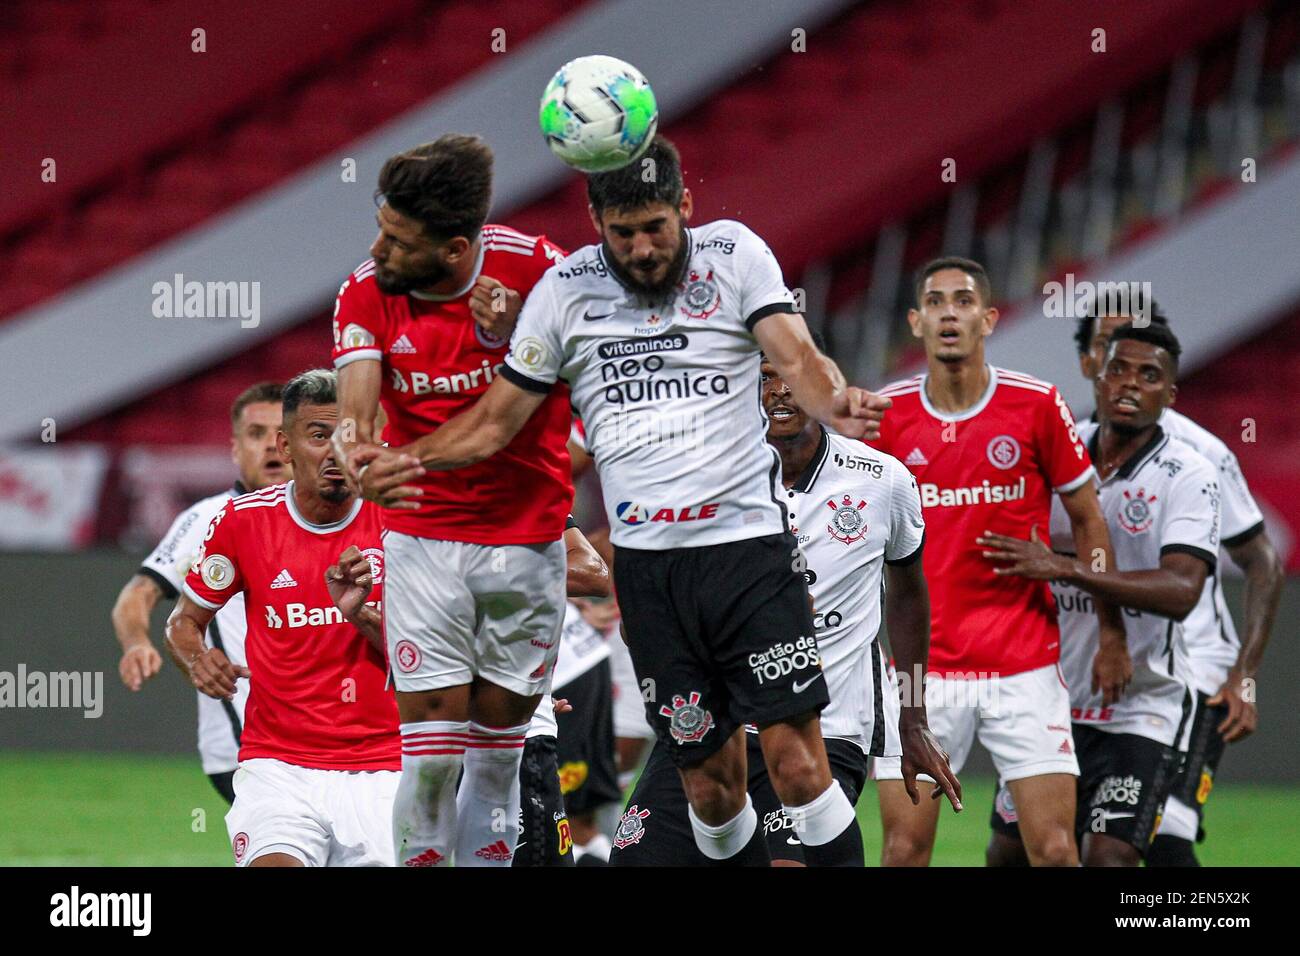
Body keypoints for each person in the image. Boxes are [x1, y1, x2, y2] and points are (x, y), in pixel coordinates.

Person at [355, 136, 953, 867]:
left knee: (797, 764)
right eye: (623, 233)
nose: (641, 249)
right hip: (650, 575)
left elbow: (795, 354)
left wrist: (835, 400)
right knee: (708, 785)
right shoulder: (564, 291)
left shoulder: (734, 256)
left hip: (748, 558)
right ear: (596, 222)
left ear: (686, 209)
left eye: (655, 229)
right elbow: (495, 420)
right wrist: (404, 457)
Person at [609, 341, 953, 865]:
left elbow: (908, 596)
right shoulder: (700, 482)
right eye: (766, 375)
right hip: (714, 723)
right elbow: (645, 617)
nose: (781, 389)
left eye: (795, 374)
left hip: (825, 727)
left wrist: (913, 718)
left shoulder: (882, 481)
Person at [331, 135, 574, 866]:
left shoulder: (538, 273)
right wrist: (359, 459)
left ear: (454, 249)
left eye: (399, 240)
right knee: (432, 762)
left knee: (498, 761)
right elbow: (354, 419)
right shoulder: (364, 293)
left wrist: (399, 458)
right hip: (423, 543)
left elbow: (500, 425)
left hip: (528, 543)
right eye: (382, 226)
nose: (378, 248)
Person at [869, 256, 1126, 867]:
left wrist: (1111, 627)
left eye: (962, 301)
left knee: (1058, 852)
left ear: (987, 318)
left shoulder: (1035, 405)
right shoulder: (885, 415)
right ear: (915, 321)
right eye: (935, 302)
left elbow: (1089, 517)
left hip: (1024, 667)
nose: (948, 312)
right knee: (905, 850)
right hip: (918, 675)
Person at [979, 322, 1220, 866]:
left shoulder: (1188, 474)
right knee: (1008, 855)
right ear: (1096, 374)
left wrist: (1064, 569)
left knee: (1108, 856)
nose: (1129, 384)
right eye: (1118, 369)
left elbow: (1182, 589)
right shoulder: (1050, 451)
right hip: (1048, 696)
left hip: (1139, 702)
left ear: (1171, 394)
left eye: (1149, 375)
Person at [165, 369, 420, 866]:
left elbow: (431, 658)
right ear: (285, 444)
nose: (334, 452)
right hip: (277, 768)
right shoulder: (244, 522)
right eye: (319, 435)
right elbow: (183, 620)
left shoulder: (400, 519)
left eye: (347, 435)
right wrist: (198, 658)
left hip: (386, 767)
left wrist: (363, 617)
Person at [1063, 303, 1283, 866]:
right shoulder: (1066, 448)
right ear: (1094, 362)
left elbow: (1263, 561)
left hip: (1192, 671)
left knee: (1164, 836)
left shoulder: (1200, 456)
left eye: (1146, 364)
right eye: (1113, 351)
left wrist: (1246, 678)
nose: (1129, 372)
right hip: (1095, 676)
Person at [111, 381, 285, 802]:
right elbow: (137, 595)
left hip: (331, 733)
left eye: (282, 434)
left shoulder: (333, 517)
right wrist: (136, 643)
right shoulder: (207, 518)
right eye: (256, 434)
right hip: (244, 745)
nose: (271, 447)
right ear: (235, 447)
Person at [514, 518, 612, 868]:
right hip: (496, 701)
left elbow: (593, 573)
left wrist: (493, 575)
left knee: (576, 817)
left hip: (561, 671)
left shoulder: (529, 483)